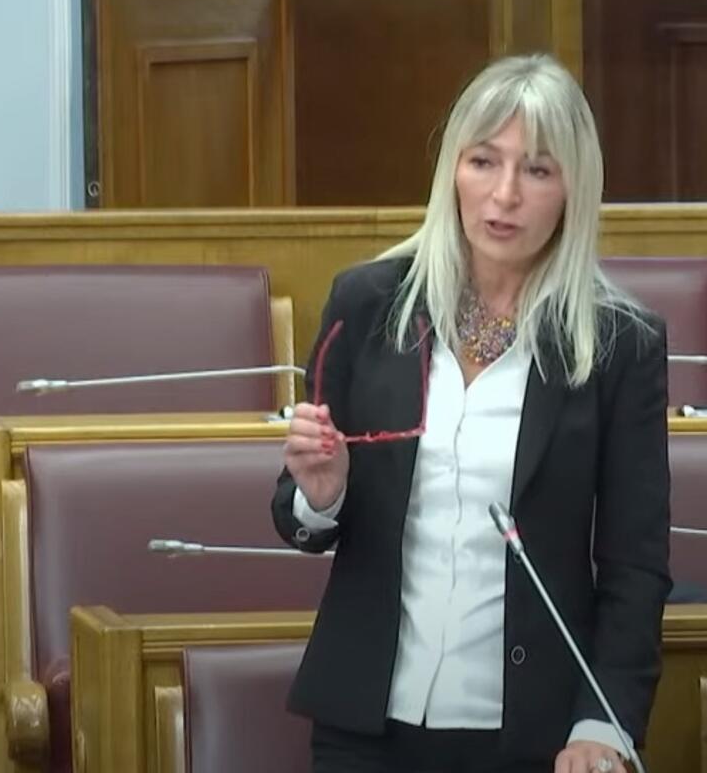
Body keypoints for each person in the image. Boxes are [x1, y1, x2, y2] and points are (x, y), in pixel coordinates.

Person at [271, 54, 671, 773]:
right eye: (484, 161)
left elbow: (634, 564)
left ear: (574, 189)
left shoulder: (621, 345)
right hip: (364, 724)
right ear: (452, 170)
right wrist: (322, 495)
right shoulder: (365, 305)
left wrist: (603, 724)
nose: (505, 194)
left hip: (535, 733)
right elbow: (297, 514)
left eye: (538, 170)